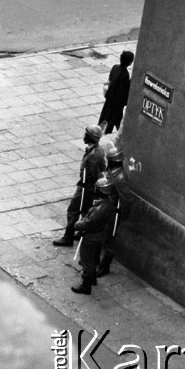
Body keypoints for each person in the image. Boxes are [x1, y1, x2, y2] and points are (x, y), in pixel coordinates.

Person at [53, 124, 105, 247]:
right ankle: (81, 231)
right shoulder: (96, 149)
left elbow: (93, 174)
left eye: (86, 134)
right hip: (89, 187)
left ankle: (68, 237)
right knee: (85, 209)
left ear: (90, 137)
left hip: (86, 186)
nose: (83, 136)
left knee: (73, 210)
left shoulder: (93, 155)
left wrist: (86, 186)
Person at [71, 177, 115, 294]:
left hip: (91, 237)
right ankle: (93, 279)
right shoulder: (109, 202)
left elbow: (88, 223)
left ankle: (86, 285)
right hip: (99, 235)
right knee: (93, 259)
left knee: (87, 262)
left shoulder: (99, 209)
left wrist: (77, 224)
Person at [96, 147, 134, 277]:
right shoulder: (112, 172)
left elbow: (127, 199)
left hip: (114, 212)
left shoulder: (120, 178)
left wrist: (123, 214)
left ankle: (105, 266)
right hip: (106, 208)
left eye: (110, 160)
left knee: (109, 239)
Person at [98, 50, 134, 134]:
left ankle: (107, 130)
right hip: (116, 103)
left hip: (110, 98)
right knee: (113, 119)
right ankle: (112, 133)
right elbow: (123, 90)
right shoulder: (125, 74)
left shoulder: (115, 67)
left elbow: (110, 79)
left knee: (107, 116)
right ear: (129, 63)